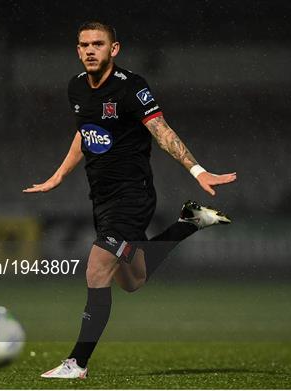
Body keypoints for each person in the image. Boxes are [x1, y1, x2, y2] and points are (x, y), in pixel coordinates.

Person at [23, 21, 236, 379]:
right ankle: (190, 221)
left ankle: (77, 363)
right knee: (132, 280)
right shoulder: (76, 87)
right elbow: (85, 132)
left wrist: (198, 171)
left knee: (96, 267)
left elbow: (162, 132)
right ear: (77, 50)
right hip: (102, 200)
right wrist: (57, 176)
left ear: (114, 49)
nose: (90, 50)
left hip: (132, 196)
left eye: (98, 44)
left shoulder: (132, 88)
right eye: (84, 44)